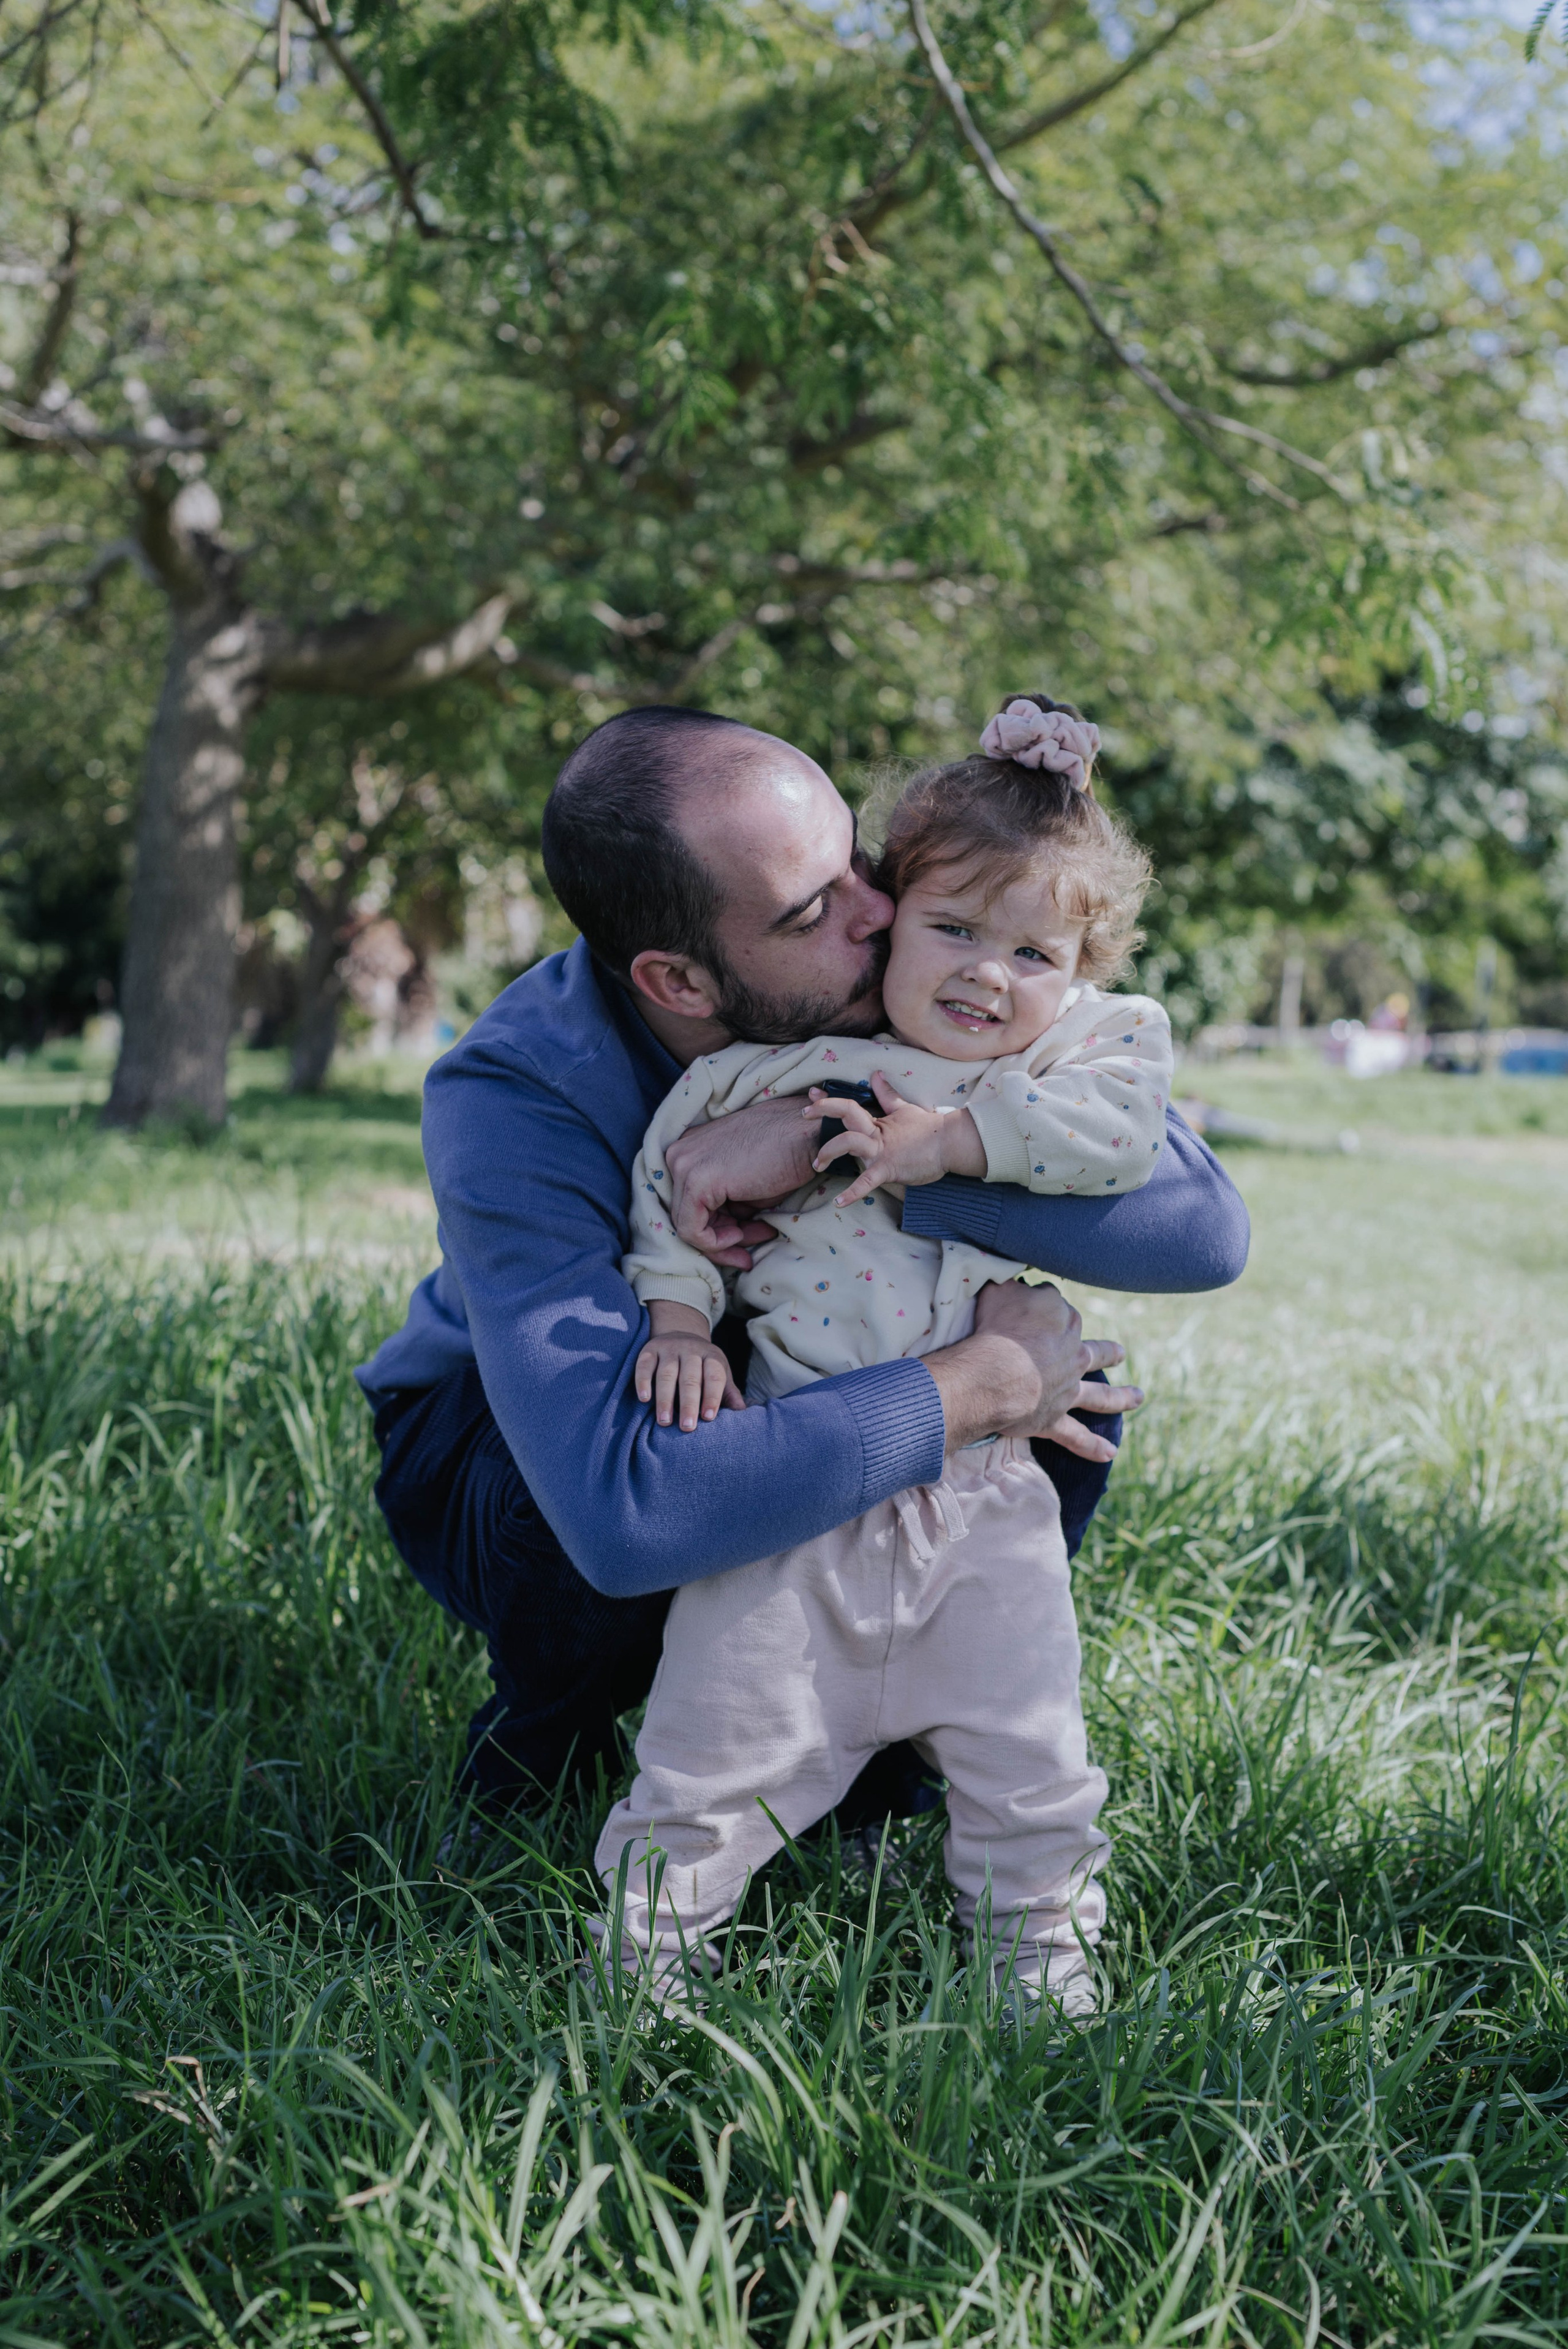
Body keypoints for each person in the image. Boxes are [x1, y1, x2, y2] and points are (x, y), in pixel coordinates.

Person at [358, 705, 1250, 1830]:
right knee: (683, 1422)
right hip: (498, 1438)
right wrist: (975, 1389)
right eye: (813, 907)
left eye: (857, 860)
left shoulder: (920, 952)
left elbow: (1204, 1232)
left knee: (1059, 1393)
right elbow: (621, 1513)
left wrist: (864, 1153)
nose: (878, 908)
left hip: (810, 1341)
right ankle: (546, 1746)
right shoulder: (515, 1091)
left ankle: (888, 1738)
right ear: (681, 984)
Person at [594, 695, 1170, 2013]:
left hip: (988, 1506)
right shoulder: (782, 1067)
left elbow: (1128, 1137)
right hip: (799, 1494)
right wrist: (679, 1317)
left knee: (1033, 1771)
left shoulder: (1079, 1059)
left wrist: (950, 1145)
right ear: (889, 915)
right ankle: (638, 1989)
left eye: (1033, 951)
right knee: (707, 1758)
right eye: (952, 928)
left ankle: (1043, 1996)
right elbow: (669, 1187)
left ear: (1079, 974)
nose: (985, 972)